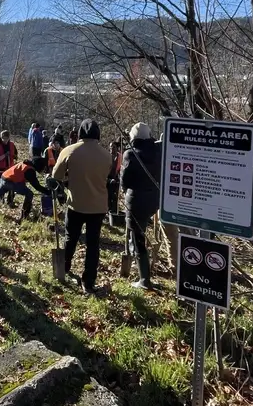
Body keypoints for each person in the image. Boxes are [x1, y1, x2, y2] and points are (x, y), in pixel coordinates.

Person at [52, 119, 114, 294]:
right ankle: (88, 282)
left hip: (76, 203)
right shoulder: (106, 155)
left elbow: (56, 175)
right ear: (98, 134)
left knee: (71, 238)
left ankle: (64, 267)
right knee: (93, 244)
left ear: (80, 133)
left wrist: (68, 178)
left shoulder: (69, 150)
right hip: (98, 206)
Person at [121, 122, 177, 289]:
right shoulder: (159, 151)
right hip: (156, 198)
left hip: (136, 201)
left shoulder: (130, 154)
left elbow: (125, 181)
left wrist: (125, 192)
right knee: (165, 234)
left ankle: (144, 279)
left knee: (138, 239)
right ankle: (174, 267)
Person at [0, 156, 48, 220]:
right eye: (43, 167)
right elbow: (37, 186)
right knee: (29, 194)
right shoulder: (30, 170)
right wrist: (48, 192)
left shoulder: (24, 164)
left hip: (4, 178)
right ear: (39, 165)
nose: (43, 169)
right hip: (11, 182)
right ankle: (24, 216)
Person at [0, 131, 18, 207]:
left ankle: (10, 201)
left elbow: (15, 155)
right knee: (1, 185)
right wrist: (5, 155)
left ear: (9, 138)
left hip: (10, 169)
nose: (5, 140)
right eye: (4, 138)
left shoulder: (12, 145)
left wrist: (13, 156)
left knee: (12, 185)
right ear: (1, 137)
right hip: (0, 169)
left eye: (7, 138)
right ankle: (0, 200)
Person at [107, 140, 123, 215]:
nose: (112, 149)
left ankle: (114, 210)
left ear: (117, 148)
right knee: (108, 195)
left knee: (115, 196)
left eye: (113, 147)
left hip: (116, 178)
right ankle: (108, 210)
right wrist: (109, 180)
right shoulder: (107, 156)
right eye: (110, 147)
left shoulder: (119, 156)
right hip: (107, 179)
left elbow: (120, 168)